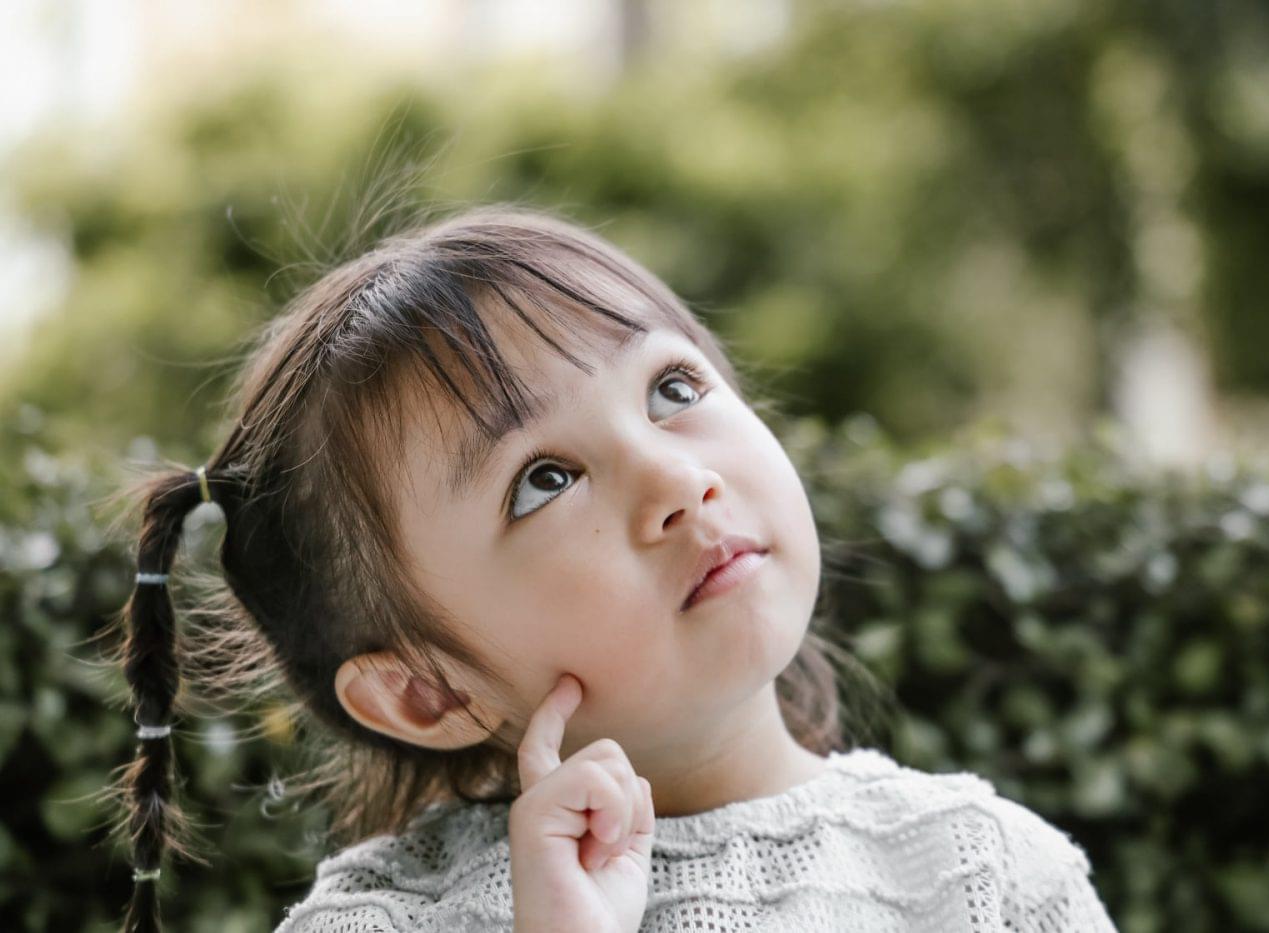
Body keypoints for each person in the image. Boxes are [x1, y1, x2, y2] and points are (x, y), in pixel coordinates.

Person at [103, 203, 1117, 932]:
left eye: (672, 388)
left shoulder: (985, 875)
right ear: (424, 691)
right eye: (544, 481)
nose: (676, 479)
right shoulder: (384, 921)